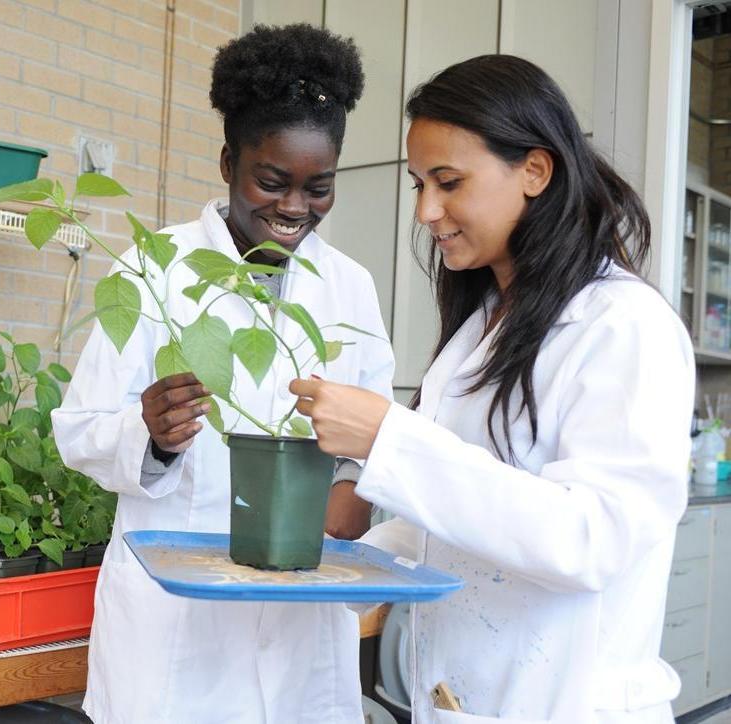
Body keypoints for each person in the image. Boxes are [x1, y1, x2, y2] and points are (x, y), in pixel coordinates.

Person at [291, 54, 695, 724]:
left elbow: (592, 538)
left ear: (534, 171)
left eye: (448, 182)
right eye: (419, 184)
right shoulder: (479, 329)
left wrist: (389, 440)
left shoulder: (622, 325)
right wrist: (333, 566)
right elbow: (450, 528)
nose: (425, 210)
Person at [52, 24, 393, 724]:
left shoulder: (349, 286)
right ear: (227, 163)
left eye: (317, 187)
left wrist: (354, 487)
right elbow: (80, 432)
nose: (294, 208)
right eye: (272, 181)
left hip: (302, 617)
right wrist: (150, 434)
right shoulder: (153, 271)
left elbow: (371, 425)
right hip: (177, 639)